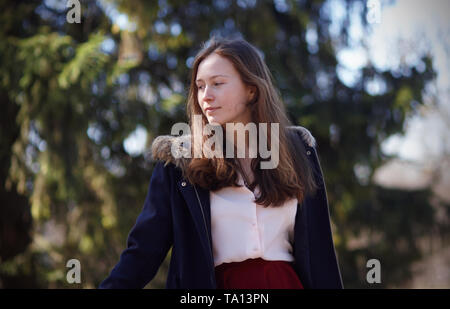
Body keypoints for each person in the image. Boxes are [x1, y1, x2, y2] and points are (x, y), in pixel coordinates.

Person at [99, 37, 343, 289]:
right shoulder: (180, 161)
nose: (206, 96)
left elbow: (320, 252)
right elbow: (144, 251)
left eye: (217, 84)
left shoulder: (299, 149)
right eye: (200, 86)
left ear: (252, 89)